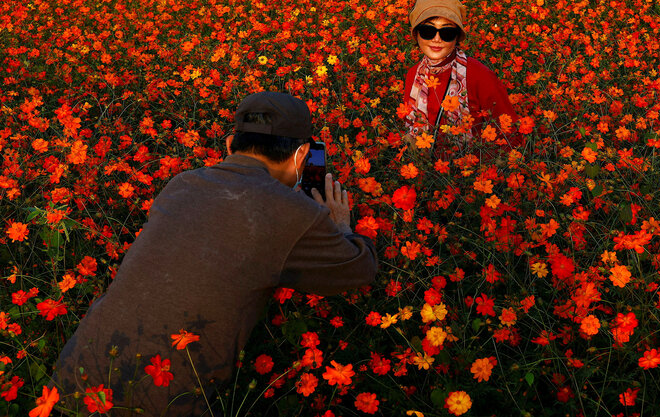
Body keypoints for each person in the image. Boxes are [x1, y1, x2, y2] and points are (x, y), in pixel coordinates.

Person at [52, 92, 378, 416]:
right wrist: (340, 225)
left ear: (229, 145)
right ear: (302, 154)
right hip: (160, 403)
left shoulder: (181, 183)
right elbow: (359, 270)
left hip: (73, 382)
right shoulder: (293, 212)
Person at [402, 0, 522, 152]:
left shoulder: (479, 75)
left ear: (457, 37)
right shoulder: (413, 75)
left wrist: (481, 168)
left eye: (447, 33)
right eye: (428, 31)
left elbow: (510, 134)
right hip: (422, 170)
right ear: (416, 34)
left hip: (470, 170)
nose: (437, 39)